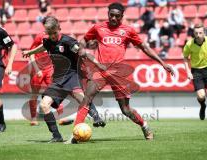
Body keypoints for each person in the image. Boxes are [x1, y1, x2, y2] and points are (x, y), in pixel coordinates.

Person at [67, 2, 174, 144]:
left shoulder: (128, 31)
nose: (113, 18)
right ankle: (75, 134)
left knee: (125, 109)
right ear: (108, 14)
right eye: (111, 15)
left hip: (119, 74)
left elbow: (144, 48)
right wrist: (80, 48)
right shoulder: (98, 28)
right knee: (87, 98)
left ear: (122, 16)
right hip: (101, 70)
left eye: (117, 16)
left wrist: (162, 63)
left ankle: (144, 125)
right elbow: (84, 40)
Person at [22, 16, 105, 143]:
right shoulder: (48, 41)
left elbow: (83, 52)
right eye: (50, 34)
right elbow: (44, 47)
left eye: (54, 33)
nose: (53, 36)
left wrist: (98, 64)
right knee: (44, 105)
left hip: (72, 75)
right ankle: (56, 136)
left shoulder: (68, 42)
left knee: (82, 99)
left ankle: (96, 117)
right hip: (58, 79)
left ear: (59, 29)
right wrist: (31, 52)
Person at [183, 23, 207, 120]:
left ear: (204, 32)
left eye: (200, 33)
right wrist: (188, 72)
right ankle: (203, 106)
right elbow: (185, 58)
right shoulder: (189, 44)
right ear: (193, 33)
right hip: (197, 71)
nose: (198, 35)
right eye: (196, 33)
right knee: (201, 96)